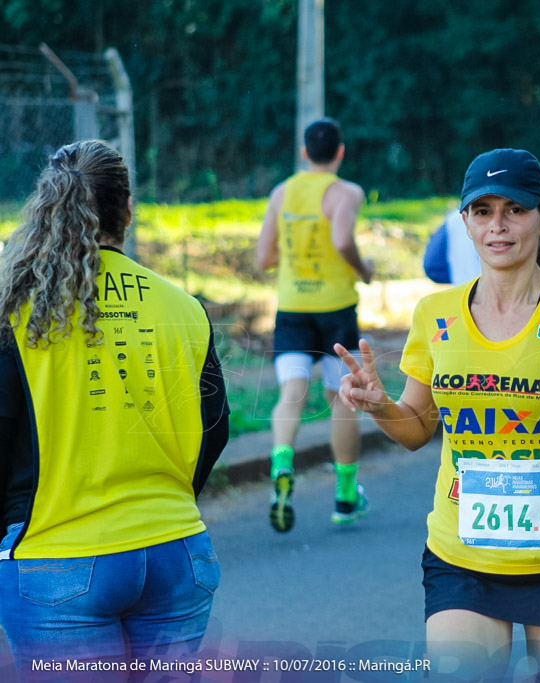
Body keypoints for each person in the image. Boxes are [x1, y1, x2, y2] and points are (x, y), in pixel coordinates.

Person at [335, 148, 540, 679]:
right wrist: (380, 406)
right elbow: (417, 431)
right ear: (464, 220)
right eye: (482, 211)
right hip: (461, 557)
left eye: (515, 209)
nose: (498, 226)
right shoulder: (434, 314)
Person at [0, 140, 230, 675]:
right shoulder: (183, 307)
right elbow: (213, 430)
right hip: (177, 552)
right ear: (127, 210)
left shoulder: (17, 313)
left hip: (56, 557)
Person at [257, 118, 374, 532]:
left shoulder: (282, 192)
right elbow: (342, 240)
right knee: (342, 397)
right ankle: (345, 496)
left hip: (292, 307)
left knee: (293, 391)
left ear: (305, 152)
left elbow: (263, 258)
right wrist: (365, 269)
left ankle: (282, 462)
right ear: (339, 151)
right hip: (336, 307)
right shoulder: (346, 192)